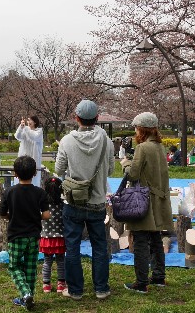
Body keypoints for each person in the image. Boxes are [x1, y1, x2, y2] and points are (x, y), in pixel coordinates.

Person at [55, 99, 114, 300]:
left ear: (76, 118)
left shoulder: (66, 141)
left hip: (73, 202)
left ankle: (75, 290)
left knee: (72, 246)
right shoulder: (107, 140)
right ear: (97, 118)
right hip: (97, 201)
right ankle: (101, 288)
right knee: (100, 246)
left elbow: (58, 170)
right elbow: (112, 169)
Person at [120, 112, 173, 293]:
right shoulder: (160, 146)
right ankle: (158, 277)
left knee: (141, 240)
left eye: (136, 127)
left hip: (144, 200)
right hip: (160, 199)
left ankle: (141, 282)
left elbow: (133, 174)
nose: (135, 130)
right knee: (156, 239)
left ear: (141, 129)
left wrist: (125, 163)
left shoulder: (143, 148)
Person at [0, 155, 50, 311]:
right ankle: (29, 296)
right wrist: (36, 216)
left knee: (14, 267)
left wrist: (11, 216)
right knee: (30, 267)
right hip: (34, 236)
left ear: (15, 173)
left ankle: (25, 294)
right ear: (35, 173)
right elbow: (47, 215)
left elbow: (2, 214)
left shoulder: (9, 192)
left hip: (16, 236)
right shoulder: (40, 193)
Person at [40, 177, 66, 294]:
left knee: (47, 261)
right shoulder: (62, 205)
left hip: (46, 238)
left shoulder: (43, 205)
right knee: (61, 261)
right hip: (60, 238)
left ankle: (46, 284)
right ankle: (61, 284)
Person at [14, 116, 43, 187]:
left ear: (35, 122)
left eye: (30, 120)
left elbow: (34, 136)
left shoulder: (39, 131)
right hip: (23, 160)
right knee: (21, 178)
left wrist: (25, 128)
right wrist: (21, 127)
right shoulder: (25, 130)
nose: (28, 122)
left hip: (34, 160)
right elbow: (17, 136)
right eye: (28, 120)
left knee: (33, 180)